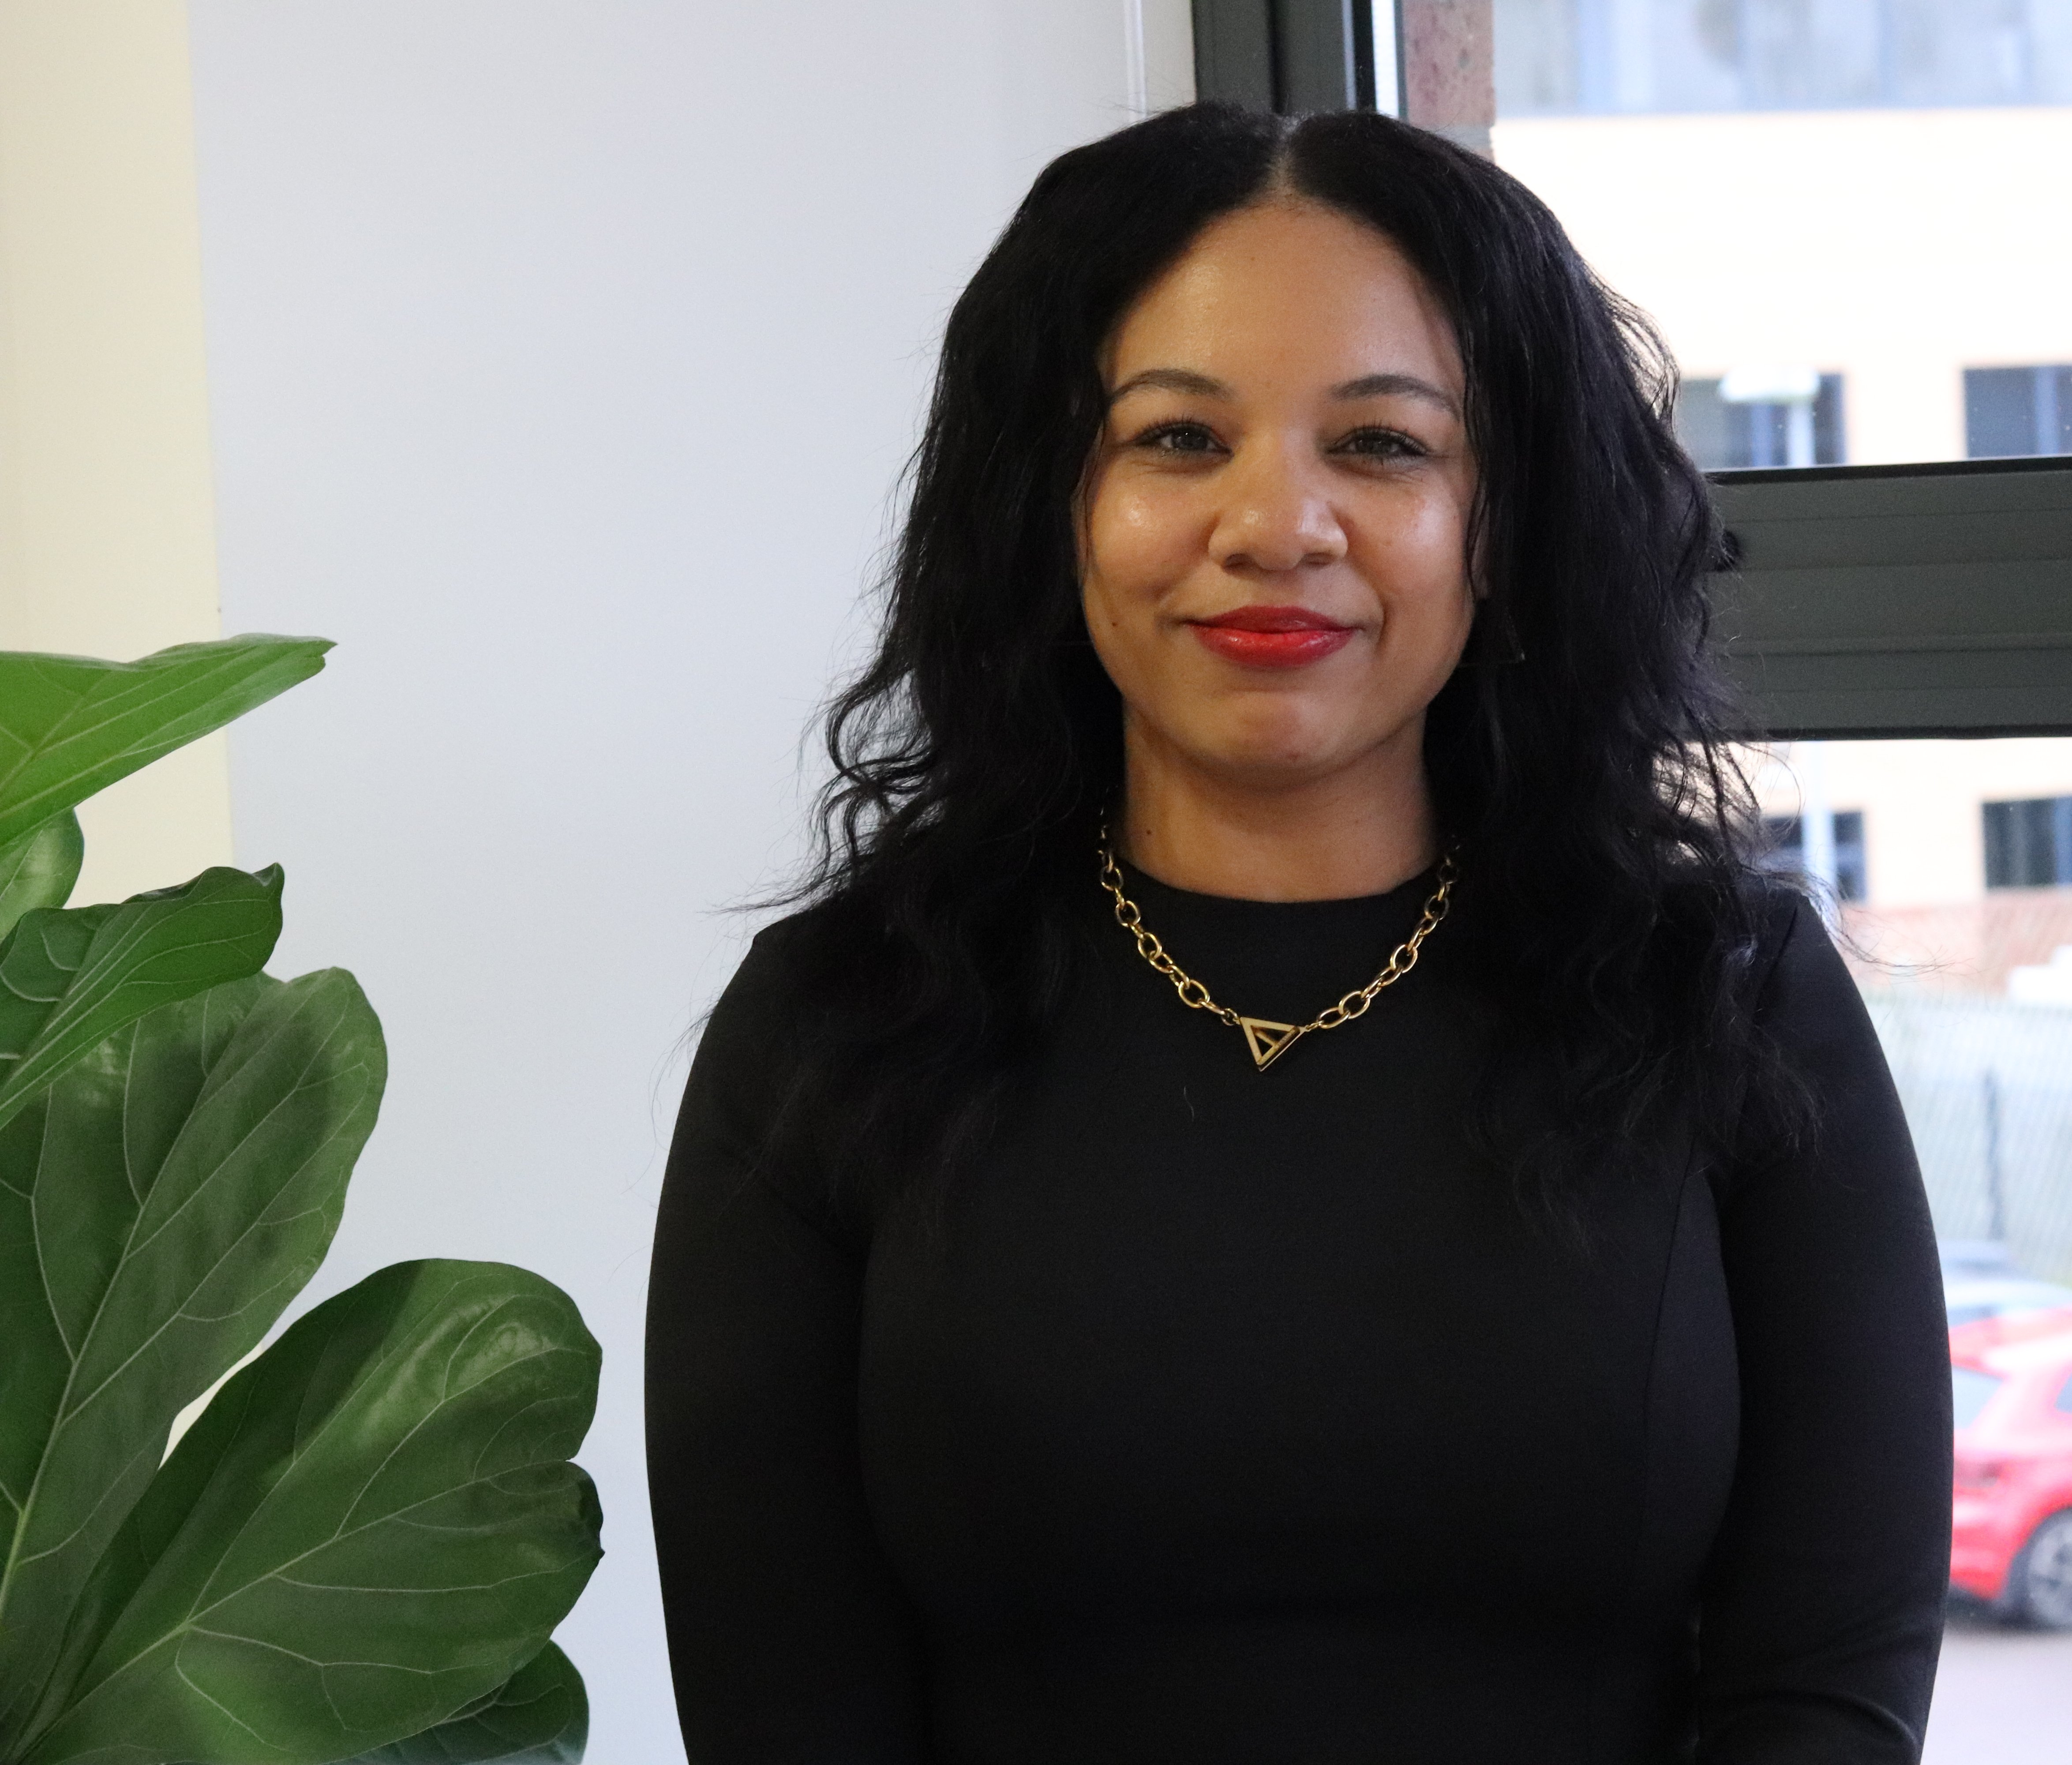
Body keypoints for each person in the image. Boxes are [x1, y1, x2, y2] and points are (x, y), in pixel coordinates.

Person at [646, 101, 1948, 1763]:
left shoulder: (1732, 1002)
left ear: (1506, 519)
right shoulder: (836, 1025)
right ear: (1051, 501)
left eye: (1385, 445)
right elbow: (787, 1712)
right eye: (1179, 439)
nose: (1277, 524)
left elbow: (1827, 1685)